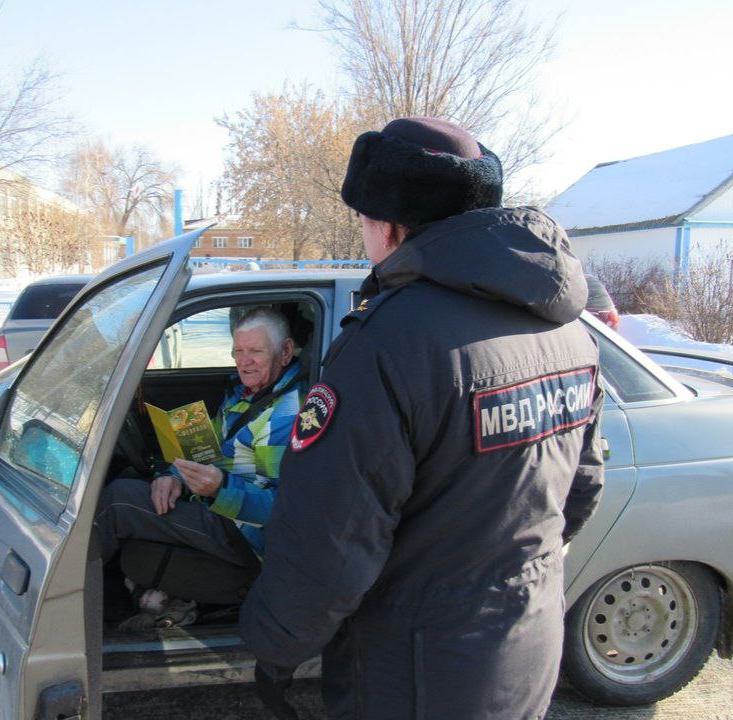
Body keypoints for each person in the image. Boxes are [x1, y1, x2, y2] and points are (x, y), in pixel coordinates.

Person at [240, 118, 605, 720]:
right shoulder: (566, 329)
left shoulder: (387, 343)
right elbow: (580, 490)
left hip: (412, 671)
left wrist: (276, 642)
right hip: (527, 642)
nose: (363, 236)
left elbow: (331, 542)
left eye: (362, 220)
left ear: (391, 225)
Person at [95, 307, 308, 628]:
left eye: (255, 352)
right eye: (238, 351)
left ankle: (93, 610)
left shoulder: (285, 415)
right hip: (215, 503)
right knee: (131, 482)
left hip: (243, 535)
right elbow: (208, 449)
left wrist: (220, 489)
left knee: (118, 502)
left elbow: (281, 510)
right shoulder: (244, 392)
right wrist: (173, 476)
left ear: (286, 351)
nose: (244, 360)